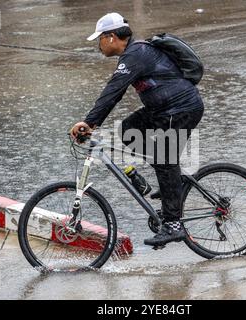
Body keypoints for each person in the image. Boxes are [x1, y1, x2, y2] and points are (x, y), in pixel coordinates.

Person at [70, 12, 204, 247]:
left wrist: (89, 123)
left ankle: (174, 225)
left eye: (100, 39)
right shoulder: (132, 54)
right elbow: (116, 92)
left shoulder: (135, 54)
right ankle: (172, 181)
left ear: (111, 37)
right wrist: (92, 122)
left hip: (180, 108)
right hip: (162, 109)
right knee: (128, 130)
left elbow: (114, 91)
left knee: (164, 158)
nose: (98, 46)